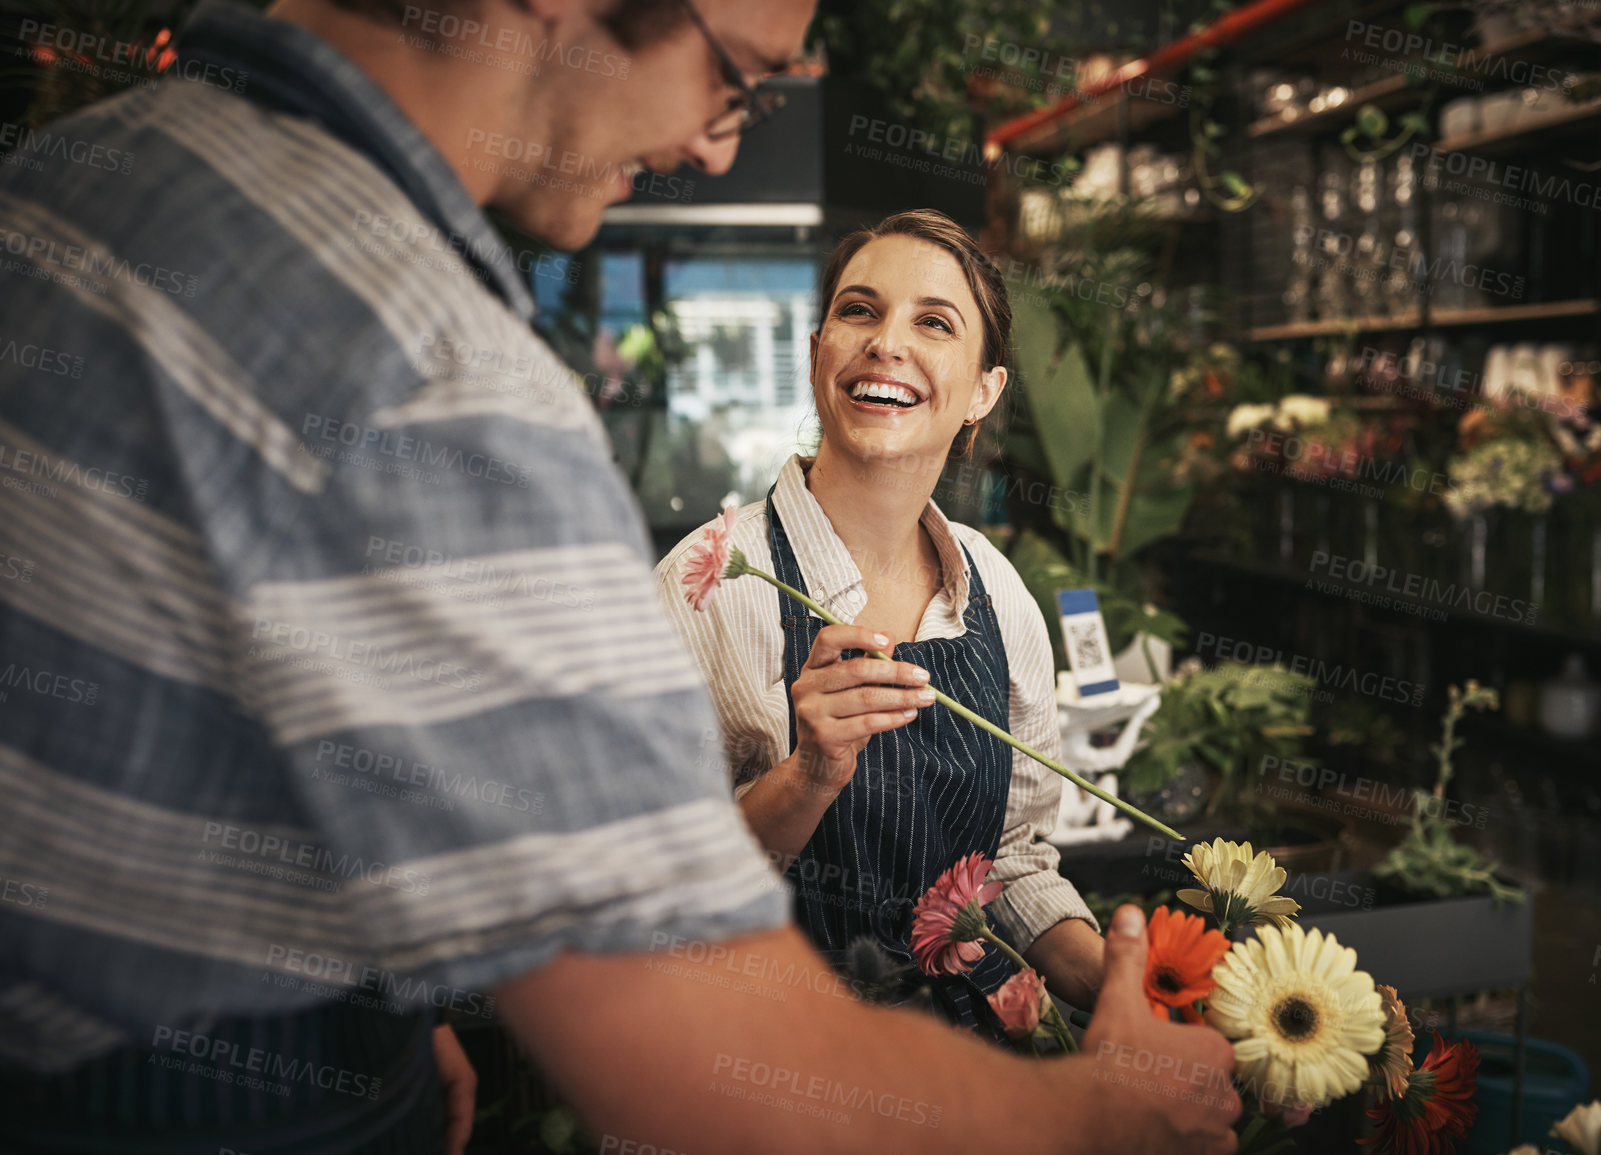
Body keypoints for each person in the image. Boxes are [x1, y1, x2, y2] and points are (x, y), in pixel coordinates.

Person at [0, 0, 1240, 1150]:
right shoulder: (440, 375)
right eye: (735, 80)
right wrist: (1093, 1119)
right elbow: (690, 1036)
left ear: (984, 397)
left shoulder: (71, 184)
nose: (713, 148)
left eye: (937, 324)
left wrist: (378, 973)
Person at [656, 209, 1107, 1037]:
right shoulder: (714, 583)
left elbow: (1011, 864)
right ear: (820, 346)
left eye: (933, 322)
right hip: (774, 1064)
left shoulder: (996, 592)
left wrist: (1124, 988)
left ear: (983, 391)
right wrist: (808, 775)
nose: (885, 342)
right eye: (859, 311)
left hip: (976, 1071)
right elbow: (658, 883)